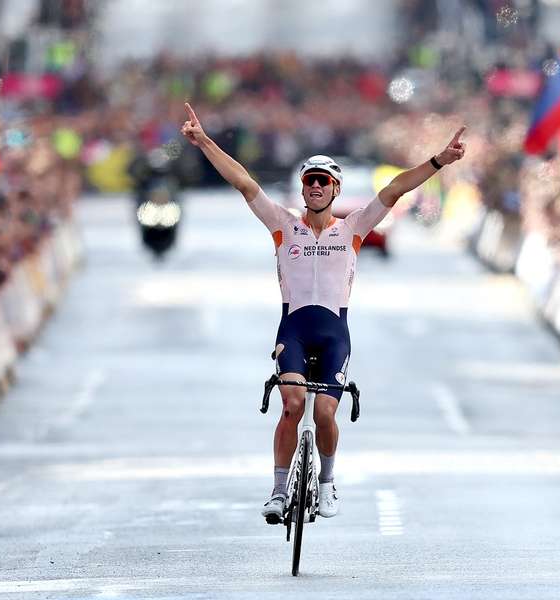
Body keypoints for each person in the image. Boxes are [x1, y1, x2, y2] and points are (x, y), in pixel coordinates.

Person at [180, 102, 466, 522]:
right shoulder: (283, 223)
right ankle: (278, 491)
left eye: (323, 182)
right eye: (309, 181)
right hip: (293, 330)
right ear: (302, 189)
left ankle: (328, 483)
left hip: (334, 334)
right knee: (293, 405)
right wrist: (204, 141)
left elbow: (395, 189)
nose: (315, 187)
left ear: (335, 189)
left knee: (326, 412)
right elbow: (243, 182)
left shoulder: (352, 228)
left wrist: (440, 160)